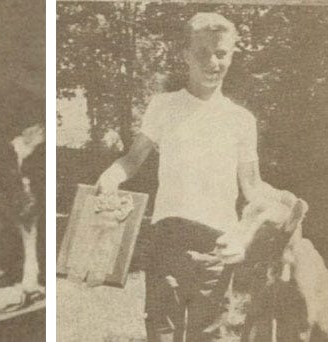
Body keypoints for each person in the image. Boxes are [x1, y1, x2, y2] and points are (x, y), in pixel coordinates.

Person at [95, 12, 279, 342]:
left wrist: (245, 233)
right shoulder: (164, 106)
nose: (213, 61)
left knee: (209, 336)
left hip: (217, 247)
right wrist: (111, 176)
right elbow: (133, 159)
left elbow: (253, 188)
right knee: (161, 334)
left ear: (232, 55)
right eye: (202, 52)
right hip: (167, 242)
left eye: (221, 53)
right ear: (185, 56)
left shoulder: (240, 120)